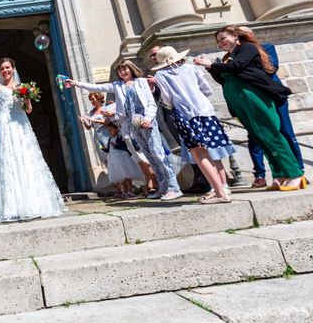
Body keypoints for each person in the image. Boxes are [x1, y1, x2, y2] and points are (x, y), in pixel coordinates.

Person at [194, 26, 304, 190]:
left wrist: (212, 64)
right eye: (218, 41)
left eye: (223, 38)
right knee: (261, 138)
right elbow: (223, 79)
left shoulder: (247, 48)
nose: (220, 42)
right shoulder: (227, 57)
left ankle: (294, 174)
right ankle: (280, 174)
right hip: (240, 102)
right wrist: (211, 68)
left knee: (270, 134)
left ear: (235, 36)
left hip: (255, 98)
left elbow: (237, 67)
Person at [66, 60, 182, 201]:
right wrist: (77, 83)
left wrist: (148, 118)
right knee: (149, 156)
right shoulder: (117, 85)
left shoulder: (141, 82)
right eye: (120, 70)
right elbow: (97, 87)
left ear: (131, 69)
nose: (122, 72)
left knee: (157, 153)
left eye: (125, 69)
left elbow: (151, 103)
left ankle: (173, 188)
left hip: (146, 122)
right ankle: (163, 187)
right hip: (131, 126)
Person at [0, 44, 66, 222]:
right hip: (6, 128)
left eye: (7, 67)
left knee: (26, 160)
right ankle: (11, 206)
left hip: (21, 127)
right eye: (2, 68)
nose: (5, 70)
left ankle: (33, 204)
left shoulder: (23, 87)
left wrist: (26, 98)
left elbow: (29, 109)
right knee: (9, 162)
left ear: (13, 69)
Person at [152, 46, 237, 204]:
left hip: (186, 116)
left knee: (199, 155)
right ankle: (221, 188)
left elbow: (168, 99)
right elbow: (207, 89)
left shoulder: (160, 75)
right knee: (212, 151)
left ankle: (219, 193)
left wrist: (175, 102)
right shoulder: (192, 68)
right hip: (206, 113)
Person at [236, 26, 305, 188]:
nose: (240, 36)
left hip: (273, 95)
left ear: (251, 35)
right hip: (252, 99)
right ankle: (261, 175)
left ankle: (299, 171)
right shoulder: (235, 55)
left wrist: (245, 63)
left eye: (243, 33)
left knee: (286, 132)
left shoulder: (266, 48)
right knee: (255, 137)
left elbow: (271, 68)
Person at [103, 122, 144, 199]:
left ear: (116, 129)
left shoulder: (120, 137)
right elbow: (108, 149)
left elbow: (124, 146)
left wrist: (116, 145)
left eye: (111, 129)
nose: (109, 131)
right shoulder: (110, 139)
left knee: (127, 175)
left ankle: (130, 191)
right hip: (114, 158)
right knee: (121, 177)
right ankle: (124, 192)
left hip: (122, 157)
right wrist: (102, 147)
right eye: (109, 130)